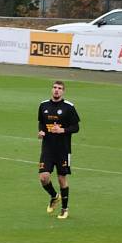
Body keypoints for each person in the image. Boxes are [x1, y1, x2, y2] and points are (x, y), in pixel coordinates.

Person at [37, 80, 79, 220]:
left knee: (62, 179)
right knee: (43, 177)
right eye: (54, 87)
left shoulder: (69, 107)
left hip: (63, 149)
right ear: (51, 89)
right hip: (47, 148)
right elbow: (41, 123)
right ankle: (54, 196)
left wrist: (62, 130)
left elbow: (76, 127)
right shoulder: (43, 105)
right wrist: (41, 132)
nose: (56, 90)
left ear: (63, 91)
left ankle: (64, 209)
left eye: (59, 88)